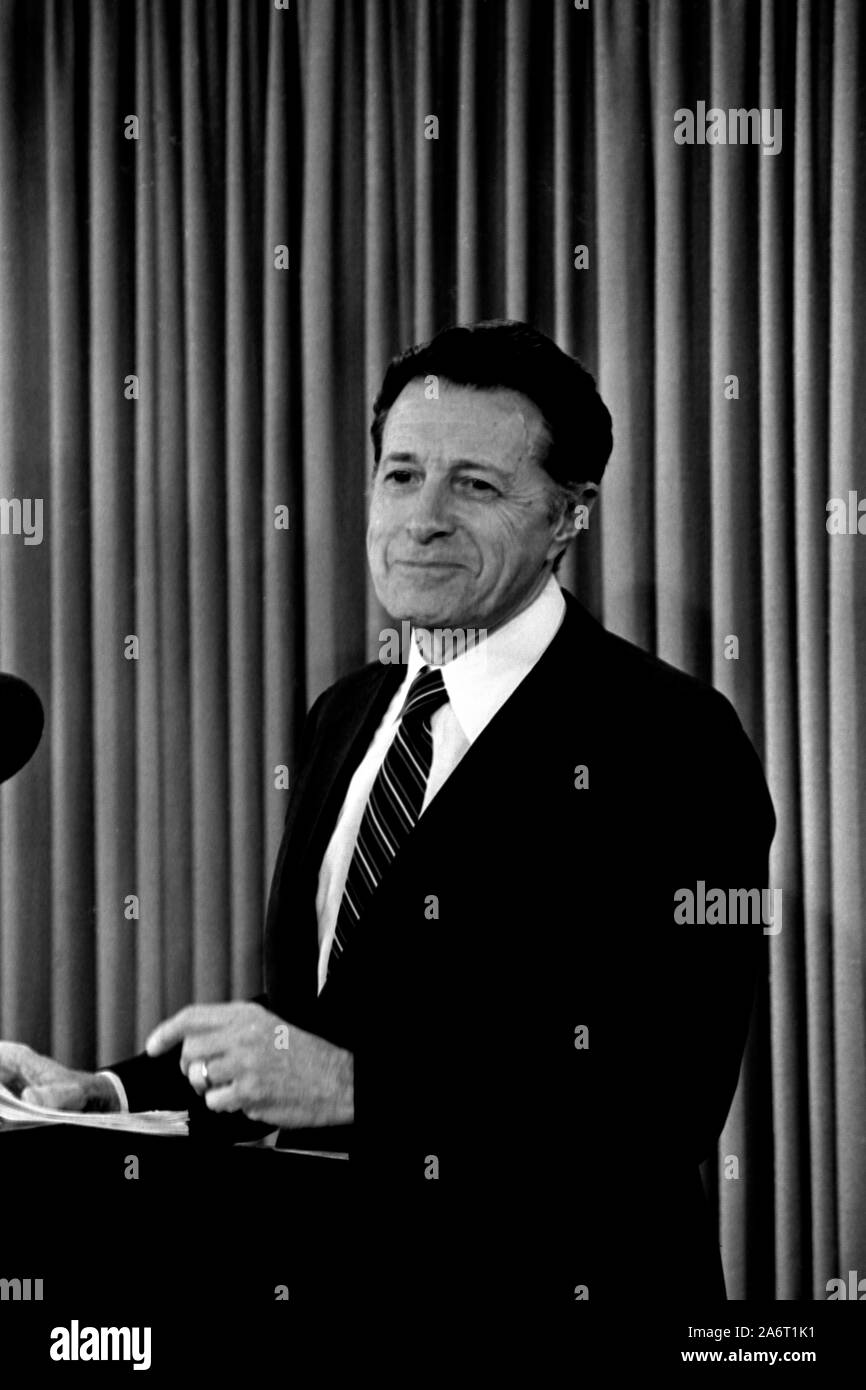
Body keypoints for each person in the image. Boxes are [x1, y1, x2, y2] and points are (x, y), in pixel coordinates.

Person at [0, 321, 775, 1307]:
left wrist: (360, 1089)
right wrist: (99, 1098)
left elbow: (662, 1103)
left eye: (475, 485)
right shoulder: (346, 714)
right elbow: (316, 1031)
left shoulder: (671, 740)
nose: (422, 519)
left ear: (568, 517)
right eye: (400, 474)